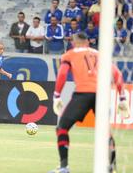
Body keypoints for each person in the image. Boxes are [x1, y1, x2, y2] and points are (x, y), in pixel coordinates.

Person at [49, 32, 130, 173]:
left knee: (62, 127)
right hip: (102, 95)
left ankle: (64, 167)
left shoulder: (70, 54)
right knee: (105, 132)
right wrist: (122, 98)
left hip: (83, 94)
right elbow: (117, 74)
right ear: (88, 42)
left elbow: (62, 74)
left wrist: (57, 95)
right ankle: (111, 168)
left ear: (74, 43)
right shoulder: (100, 54)